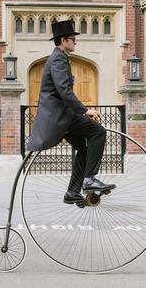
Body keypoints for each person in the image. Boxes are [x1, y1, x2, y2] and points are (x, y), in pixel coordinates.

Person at [26, 20, 115, 208]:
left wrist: (80, 114)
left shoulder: (60, 57)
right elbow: (64, 91)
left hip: (63, 117)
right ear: (63, 40)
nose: (76, 42)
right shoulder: (58, 58)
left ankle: (72, 192)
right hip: (60, 118)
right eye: (73, 39)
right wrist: (84, 110)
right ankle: (89, 179)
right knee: (98, 132)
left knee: (83, 149)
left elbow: (62, 92)